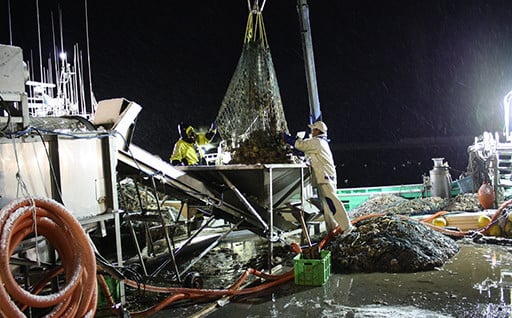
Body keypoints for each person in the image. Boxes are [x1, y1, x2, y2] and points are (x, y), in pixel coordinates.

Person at [283, 120, 354, 234]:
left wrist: (286, 137)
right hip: (326, 176)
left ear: (317, 131)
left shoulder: (318, 142)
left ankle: (347, 227)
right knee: (327, 205)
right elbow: (305, 152)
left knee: (332, 201)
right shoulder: (320, 143)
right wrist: (294, 150)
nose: (311, 132)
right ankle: (332, 229)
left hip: (326, 176)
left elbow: (301, 145)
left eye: (313, 130)